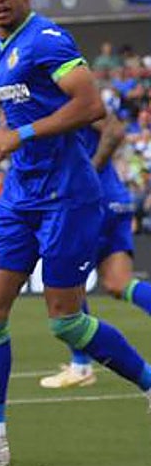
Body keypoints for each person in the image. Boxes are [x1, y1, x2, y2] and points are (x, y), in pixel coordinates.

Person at [0, 0, 151, 466]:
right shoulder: (0, 48)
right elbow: (17, 117)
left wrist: (19, 134)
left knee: (67, 323)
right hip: (21, 197)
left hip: (68, 198)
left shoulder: (47, 39)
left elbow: (91, 105)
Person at [40, 113, 151, 388]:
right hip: (114, 197)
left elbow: (114, 130)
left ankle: (80, 364)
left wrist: (89, 171)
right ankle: (80, 364)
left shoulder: (69, 96)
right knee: (119, 283)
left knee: (66, 281)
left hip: (92, 201)